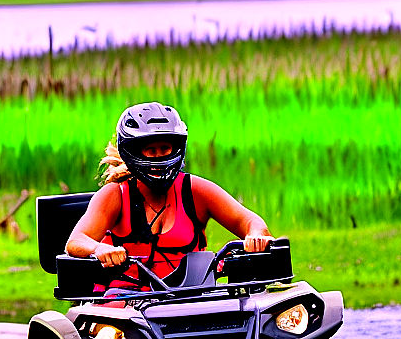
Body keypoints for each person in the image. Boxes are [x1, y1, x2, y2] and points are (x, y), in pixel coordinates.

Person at [65, 101, 274, 291]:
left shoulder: (196, 191)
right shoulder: (114, 195)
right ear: (133, 153)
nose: (159, 157)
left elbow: (249, 221)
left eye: (165, 148)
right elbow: (75, 241)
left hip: (189, 299)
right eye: (151, 150)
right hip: (125, 306)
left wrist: (255, 236)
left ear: (177, 149)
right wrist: (99, 248)